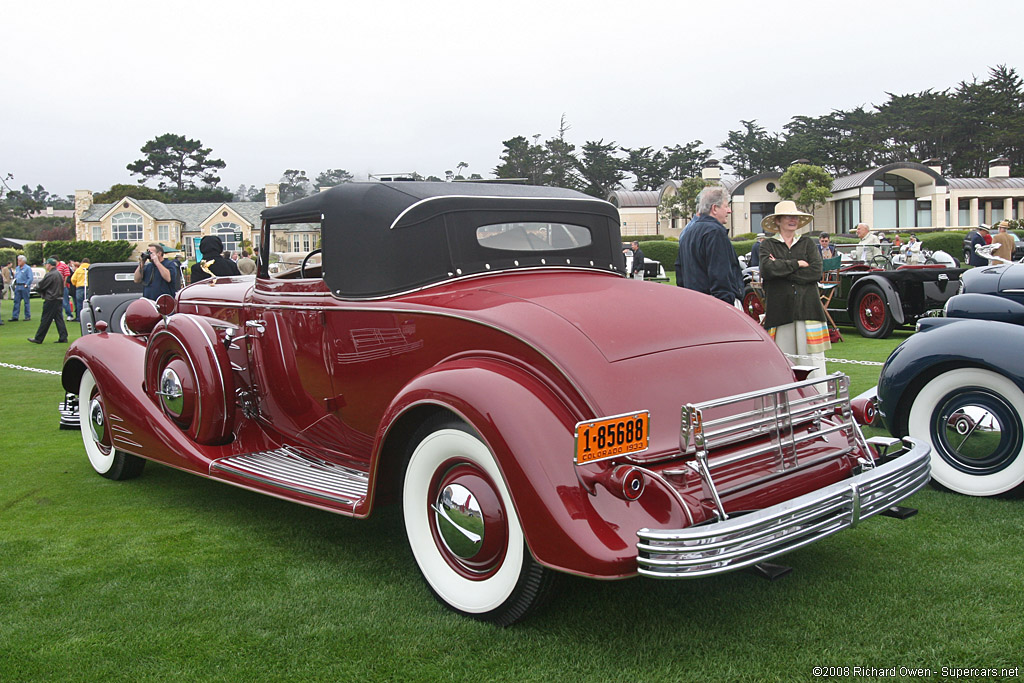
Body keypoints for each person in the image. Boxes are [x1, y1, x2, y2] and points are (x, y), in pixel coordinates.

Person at [759, 201, 831, 381]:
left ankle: (817, 401)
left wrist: (782, 270)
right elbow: (767, 270)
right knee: (784, 361)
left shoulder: (807, 243)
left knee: (812, 363)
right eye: (787, 216)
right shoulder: (768, 245)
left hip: (809, 310)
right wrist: (796, 264)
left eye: (795, 217)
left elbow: (816, 272)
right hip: (780, 312)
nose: (792, 220)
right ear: (777, 221)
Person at [676, 186, 743, 305]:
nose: (729, 211)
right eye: (726, 206)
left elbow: (680, 272)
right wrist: (725, 305)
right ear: (714, 208)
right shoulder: (715, 232)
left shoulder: (688, 232)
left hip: (693, 303)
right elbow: (720, 275)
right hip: (714, 305)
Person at [27, 258, 68, 344]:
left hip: (51, 299)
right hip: (58, 298)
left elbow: (42, 285)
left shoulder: (51, 275)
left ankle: (39, 338)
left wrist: (35, 288)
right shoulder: (59, 274)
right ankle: (63, 337)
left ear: (49, 265)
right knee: (59, 319)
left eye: (46, 264)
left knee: (45, 319)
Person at [10, 255, 33, 321]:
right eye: (18, 260)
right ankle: (15, 316)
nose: (18, 262)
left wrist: (26, 284)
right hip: (18, 286)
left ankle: (27, 316)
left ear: (23, 261)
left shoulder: (27, 268)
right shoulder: (17, 268)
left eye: (19, 260)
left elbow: (30, 278)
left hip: (24, 286)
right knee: (16, 301)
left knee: (26, 302)